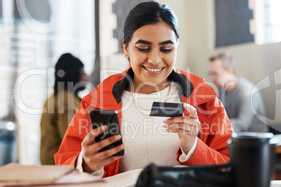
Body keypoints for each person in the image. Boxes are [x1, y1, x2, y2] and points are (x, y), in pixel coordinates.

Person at [55, 2, 232, 177]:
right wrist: (85, 164)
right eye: (143, 48)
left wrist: (193, 147)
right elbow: (64, 162)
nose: (155, 59)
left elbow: (230, 168)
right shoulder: (98, 99)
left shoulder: (204, 97)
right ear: (125, 48)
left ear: (176, 46)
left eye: (166, 48)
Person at [40, 53, 88, 164]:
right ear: (73, 75)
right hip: (62, 168)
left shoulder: (54, 98)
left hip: (52, 167)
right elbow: (72, 140)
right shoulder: (67, 101)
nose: (86, 76)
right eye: (82, 72)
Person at [208, 52, 268, 133]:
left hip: (254, 143)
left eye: (215, 74)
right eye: (210, 74)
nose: (212, 79)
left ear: (229, 71)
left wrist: (211, 127)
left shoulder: (247, 92)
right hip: (235, 141)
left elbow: (242, 124)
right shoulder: (222, 90)